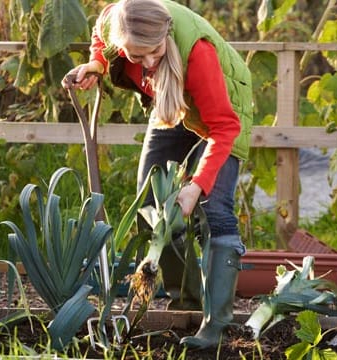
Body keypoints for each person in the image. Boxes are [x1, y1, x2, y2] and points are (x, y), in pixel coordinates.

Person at [62, 0, 253, 349]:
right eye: (136, 57)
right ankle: (187, 305)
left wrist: (197, 185)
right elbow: (100, 41)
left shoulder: (198, 54)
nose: (148, 62)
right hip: (171, 101)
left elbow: (224, 127)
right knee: (152, 205)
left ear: (165, 34)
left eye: (154, 51)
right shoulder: (113, 21)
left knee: (215, 210)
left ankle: (215, 326)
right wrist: (96, 63)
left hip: (221, 110)